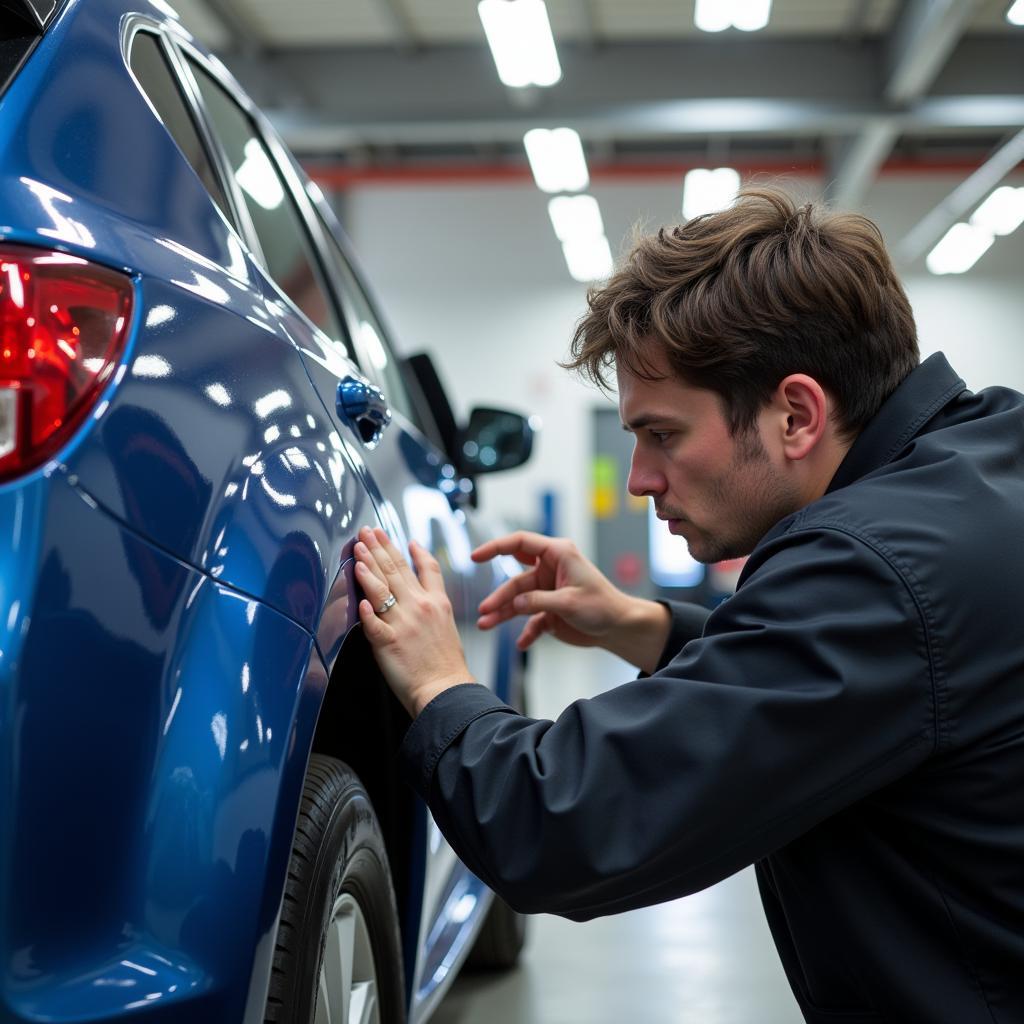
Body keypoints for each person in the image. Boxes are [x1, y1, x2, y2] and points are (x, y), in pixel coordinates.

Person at [351, 186, 1024, 1023]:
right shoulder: (984, 454)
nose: (638, 478)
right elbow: (872, 683)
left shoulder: (872, 570)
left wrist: (437, 685)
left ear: (797, 414)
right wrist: (646, 624)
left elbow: (564, 824)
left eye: (662, 434)